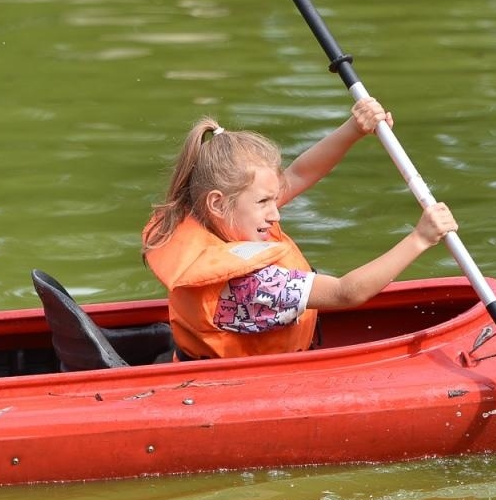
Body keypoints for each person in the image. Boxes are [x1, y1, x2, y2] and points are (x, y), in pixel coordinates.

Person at [142, 98, 457, 360]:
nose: (276, 213)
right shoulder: (252, 285)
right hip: (236, 387)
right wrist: (420, 238)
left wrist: (354, 129)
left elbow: (300, 174)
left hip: (196, 362)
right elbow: (346, 293)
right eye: (264, 201)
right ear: (217, 202)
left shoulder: (198, 214)